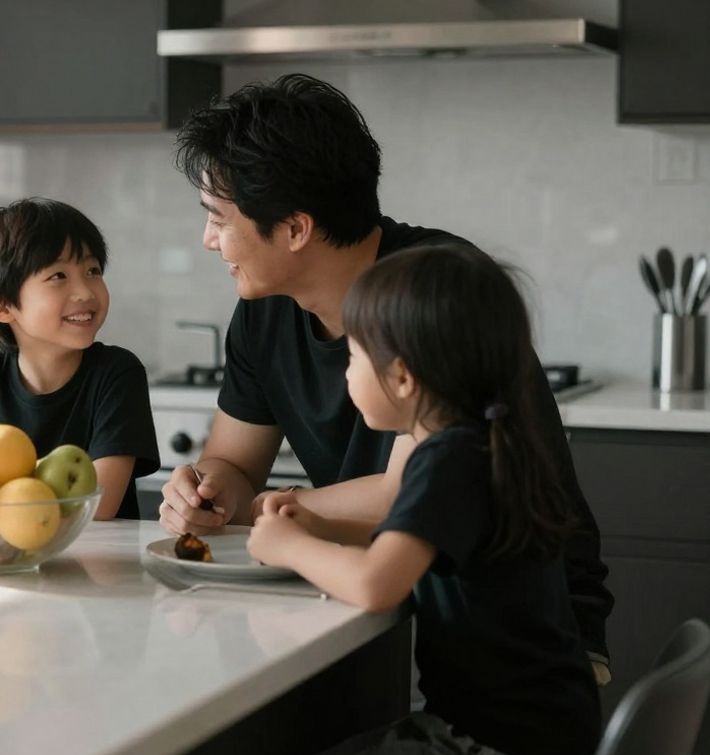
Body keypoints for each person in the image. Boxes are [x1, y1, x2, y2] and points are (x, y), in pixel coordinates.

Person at [159, 73, 613, 679]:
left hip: (508, 644)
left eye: (218, 218)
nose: (209, 240)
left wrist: (284, 513)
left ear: (296, 228)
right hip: (394, 610)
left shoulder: (436, 293)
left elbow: (414, 487)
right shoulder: (263, 310)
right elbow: (233, 468)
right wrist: (208, 496)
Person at [249, 245, 601, 755]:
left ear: (404, 377)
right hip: (539, 732)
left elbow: (377, 583)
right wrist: (322, 525)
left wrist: (291, 546)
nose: (346, 375)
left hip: (496, 749)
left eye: (353, 357)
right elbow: (410, 541)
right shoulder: (481, 440)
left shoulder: (449, 460)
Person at [0, 197, 159, 520]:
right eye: (58, 276)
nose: (85, 291)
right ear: (1, 306)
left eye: (92, 270)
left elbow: (98, 506)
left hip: (98, 564)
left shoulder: (117, 373)